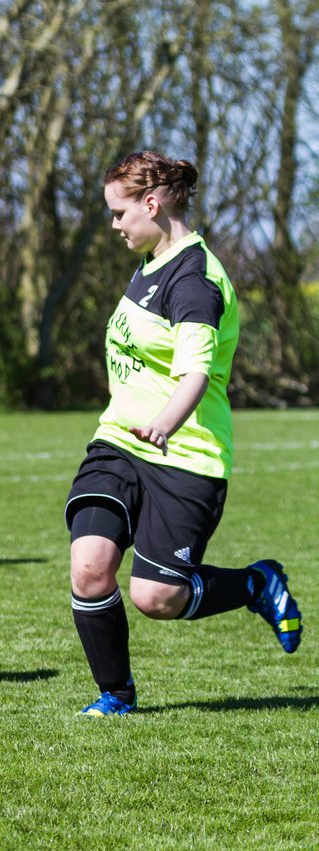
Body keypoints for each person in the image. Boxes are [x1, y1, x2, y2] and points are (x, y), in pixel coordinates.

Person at [66, 151, 302, 717]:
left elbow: (196, 370)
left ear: (152, 204)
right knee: (90, 564)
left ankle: (254, 585)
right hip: (120, 444)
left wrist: (166, 423)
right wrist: (137, 423)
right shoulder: (150, 261)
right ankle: (114, 695)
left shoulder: (195, 279)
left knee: (157, 598)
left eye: (120, 213)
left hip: (185, 455)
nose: (115, 225)